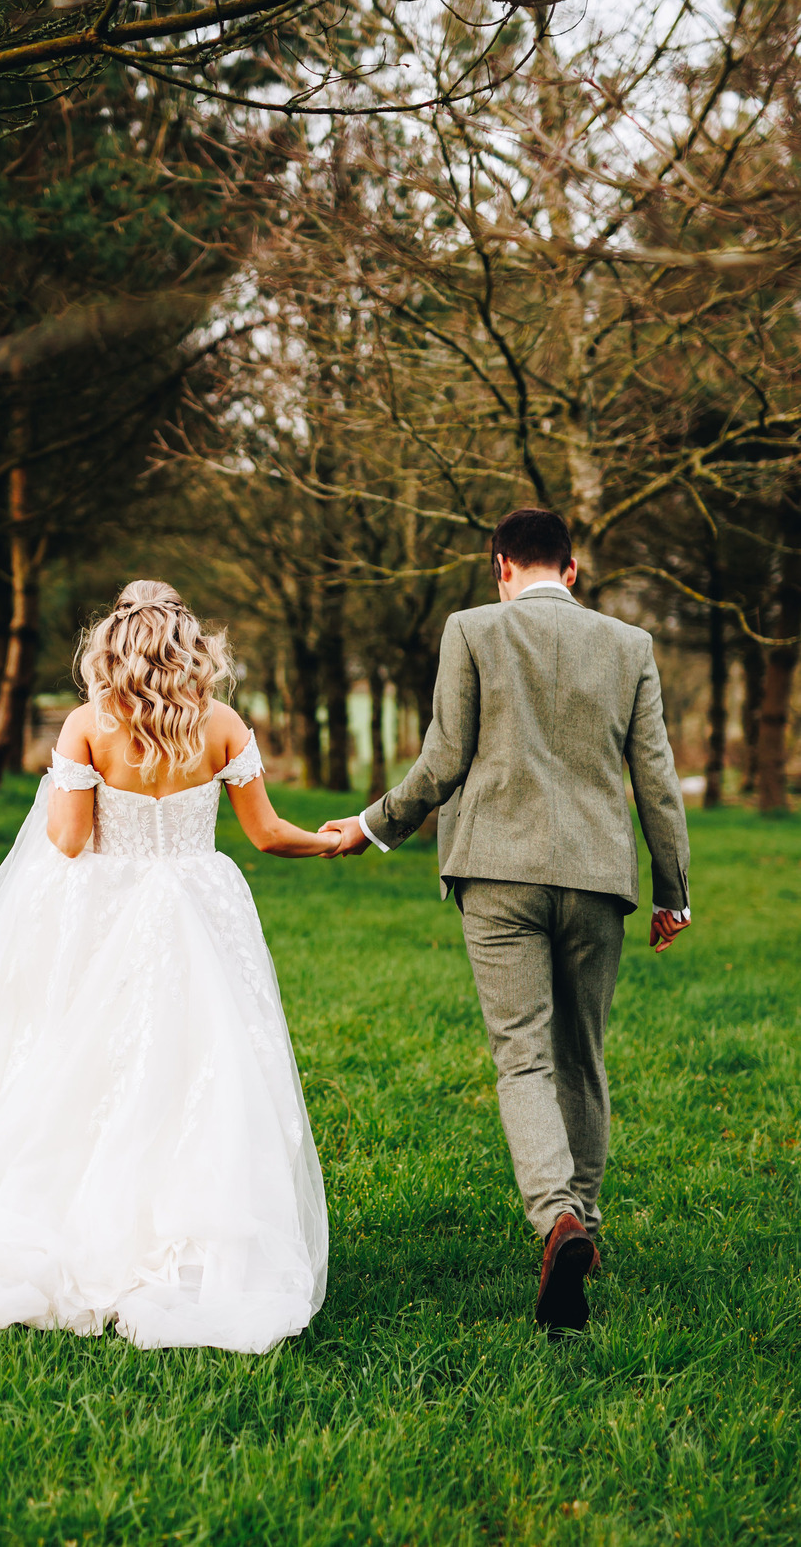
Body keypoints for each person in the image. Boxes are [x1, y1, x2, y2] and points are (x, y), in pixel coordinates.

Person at [0, 580, 336, 1353]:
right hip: (200, 906)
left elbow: (65, 840)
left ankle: (73, 1231)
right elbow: (265, 835)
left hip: (109, 912)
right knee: (203, 1066)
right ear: (189, 648)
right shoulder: (223, 724)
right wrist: (333, 839)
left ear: (114, 647)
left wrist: (72, 776)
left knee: (85, 1066)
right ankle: (191, 1248)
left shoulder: (87, 727)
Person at [321, 508, 691, 1336]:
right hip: (598, 878)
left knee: (522, 1056)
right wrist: (673, 891)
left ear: (498, 567)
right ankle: (582, 1230)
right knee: (581, 1057)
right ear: (571, 570)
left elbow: (443, 758)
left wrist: (372, 825)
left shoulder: (471, 630)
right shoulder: (629, 646)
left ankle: (553, 1217)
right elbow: (656, 780)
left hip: (495, 874)